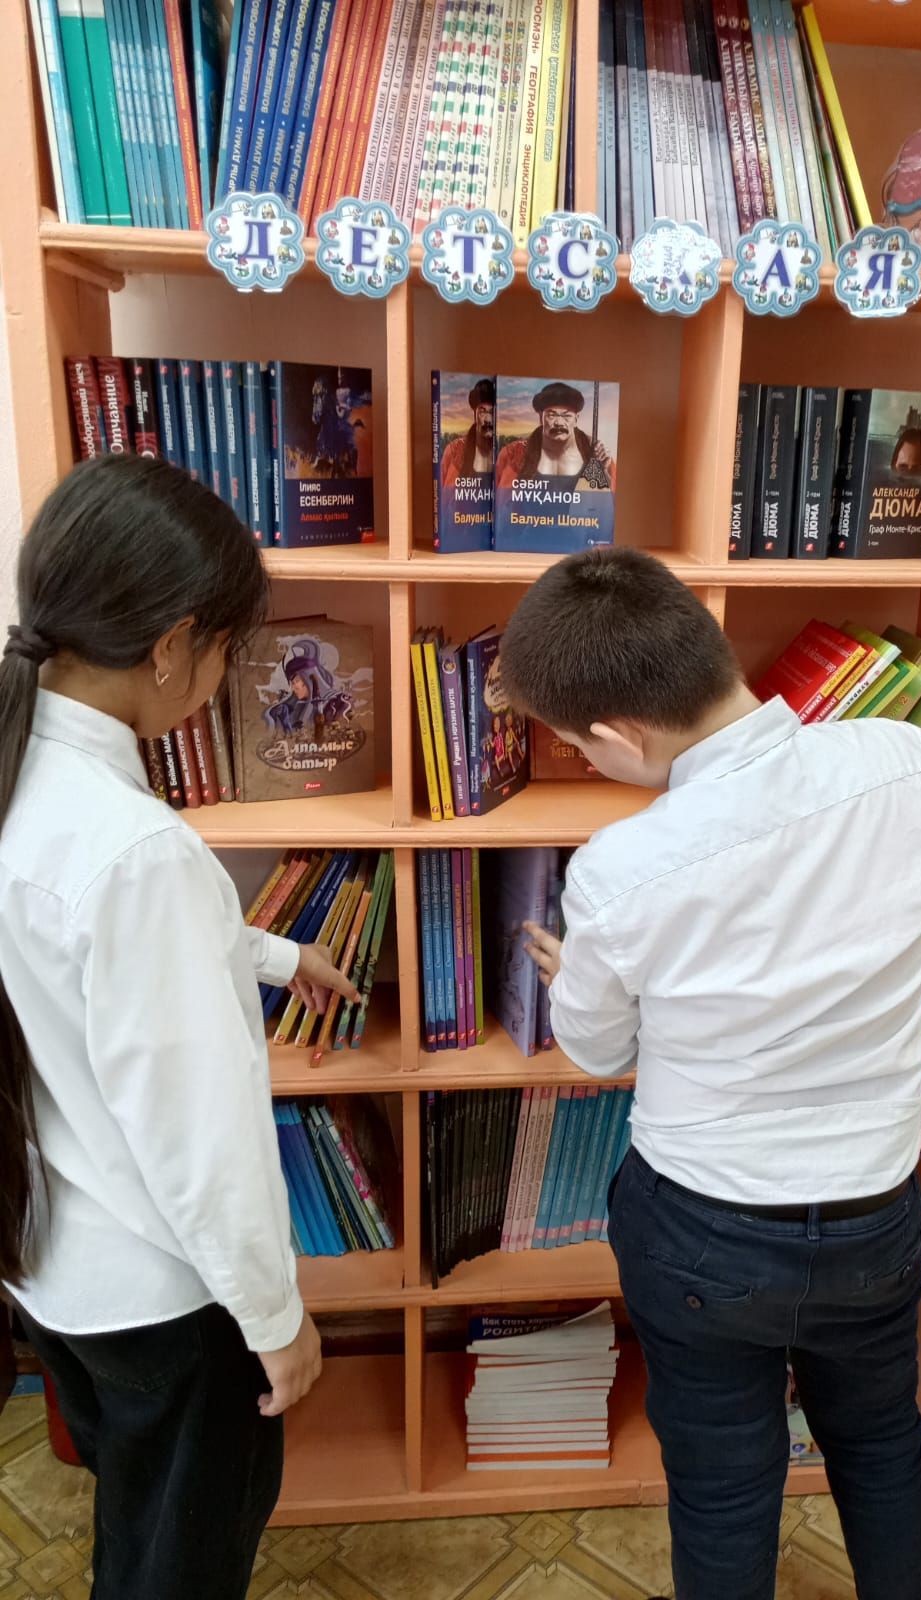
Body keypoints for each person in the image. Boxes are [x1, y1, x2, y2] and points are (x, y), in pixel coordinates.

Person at [504, 548, 921, 1600]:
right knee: (880, 1436)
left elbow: (599, 1050)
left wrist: (581, 973)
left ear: (617, 736)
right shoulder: (910, 762)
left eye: (574, 745)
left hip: (703, 1223)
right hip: (872, 1206)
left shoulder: (620, 869)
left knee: (725, 1482)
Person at [0, 454, 357, 1600]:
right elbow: (203, 1143)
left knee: (139, 1522)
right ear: (172, 645)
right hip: (167, 1295)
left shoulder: (27, 778)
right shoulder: (138, 851)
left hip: (53, 1266)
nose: (219, 682)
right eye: (226, 652)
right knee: (182, 1567)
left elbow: (76, 945)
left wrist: (278, 955)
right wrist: (277, 1318)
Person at [494, 381, 615, 491]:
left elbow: (610, 502)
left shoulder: (596, 453)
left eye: (566, 416)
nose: (559, 422)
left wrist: (603, 472)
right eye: (552, 415)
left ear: (576, 419)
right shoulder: (512, 455)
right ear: (541, 417)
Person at [439, 377, 495, 485]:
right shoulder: (453, 452)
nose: (488, 419)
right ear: (474, 412)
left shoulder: (505, 456)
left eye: (492, 412)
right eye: (482, 412)